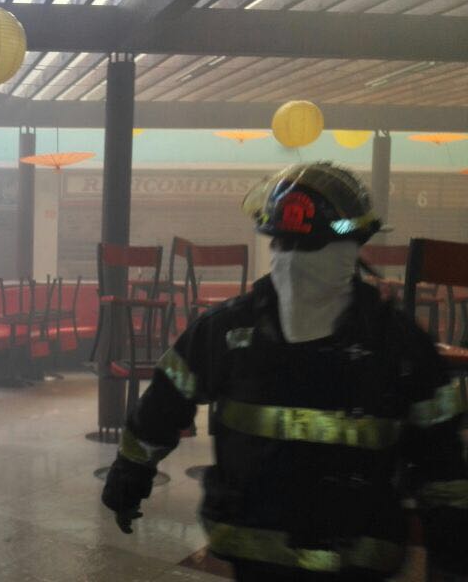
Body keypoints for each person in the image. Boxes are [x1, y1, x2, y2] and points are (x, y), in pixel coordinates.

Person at [101, 162, 467, 581]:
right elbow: (165, 402)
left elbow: (440, 456)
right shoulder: (228, 331)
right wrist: (130, 471)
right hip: (256, 553)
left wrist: (452, 539)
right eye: (283, 244)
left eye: (310, 246)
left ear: (351, 249)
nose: (293, 260)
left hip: (351, 562)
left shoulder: (397, 344)